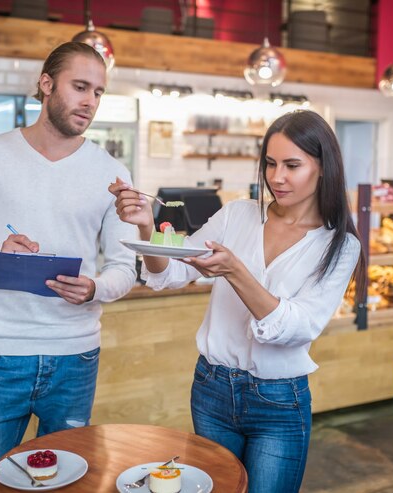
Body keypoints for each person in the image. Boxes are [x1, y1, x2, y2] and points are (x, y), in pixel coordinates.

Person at [109, 110, 364, 493]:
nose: (277, 177)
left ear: (323, 167)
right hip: (212, 387)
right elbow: (170, 273)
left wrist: (236, 271)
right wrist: (147, 225)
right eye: (271, 164)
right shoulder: (239, 215)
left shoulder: (339, 245)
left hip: (278, 402)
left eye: (292, 165)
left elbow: (297, 327)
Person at [0, 42, 137, 493]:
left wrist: (95, 288)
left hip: (76, 355)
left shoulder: (111, 171)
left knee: (66, 484)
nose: (90, 102)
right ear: (46, 85)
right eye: (79, 86)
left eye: (99, 92)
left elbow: (125, 267)